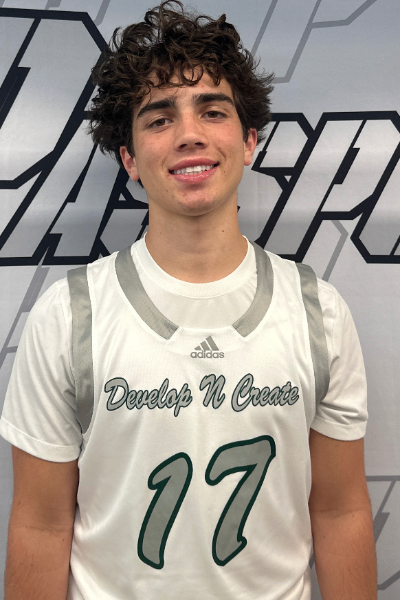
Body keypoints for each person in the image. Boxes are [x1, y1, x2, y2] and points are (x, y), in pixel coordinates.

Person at [1, 2, 377, 599]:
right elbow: (42, 525)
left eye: (213, 111)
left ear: (249, 140)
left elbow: (338, 511)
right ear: (129, 159)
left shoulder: (318, 312)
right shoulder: (69, 315)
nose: (189, 134)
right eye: (158, 119)